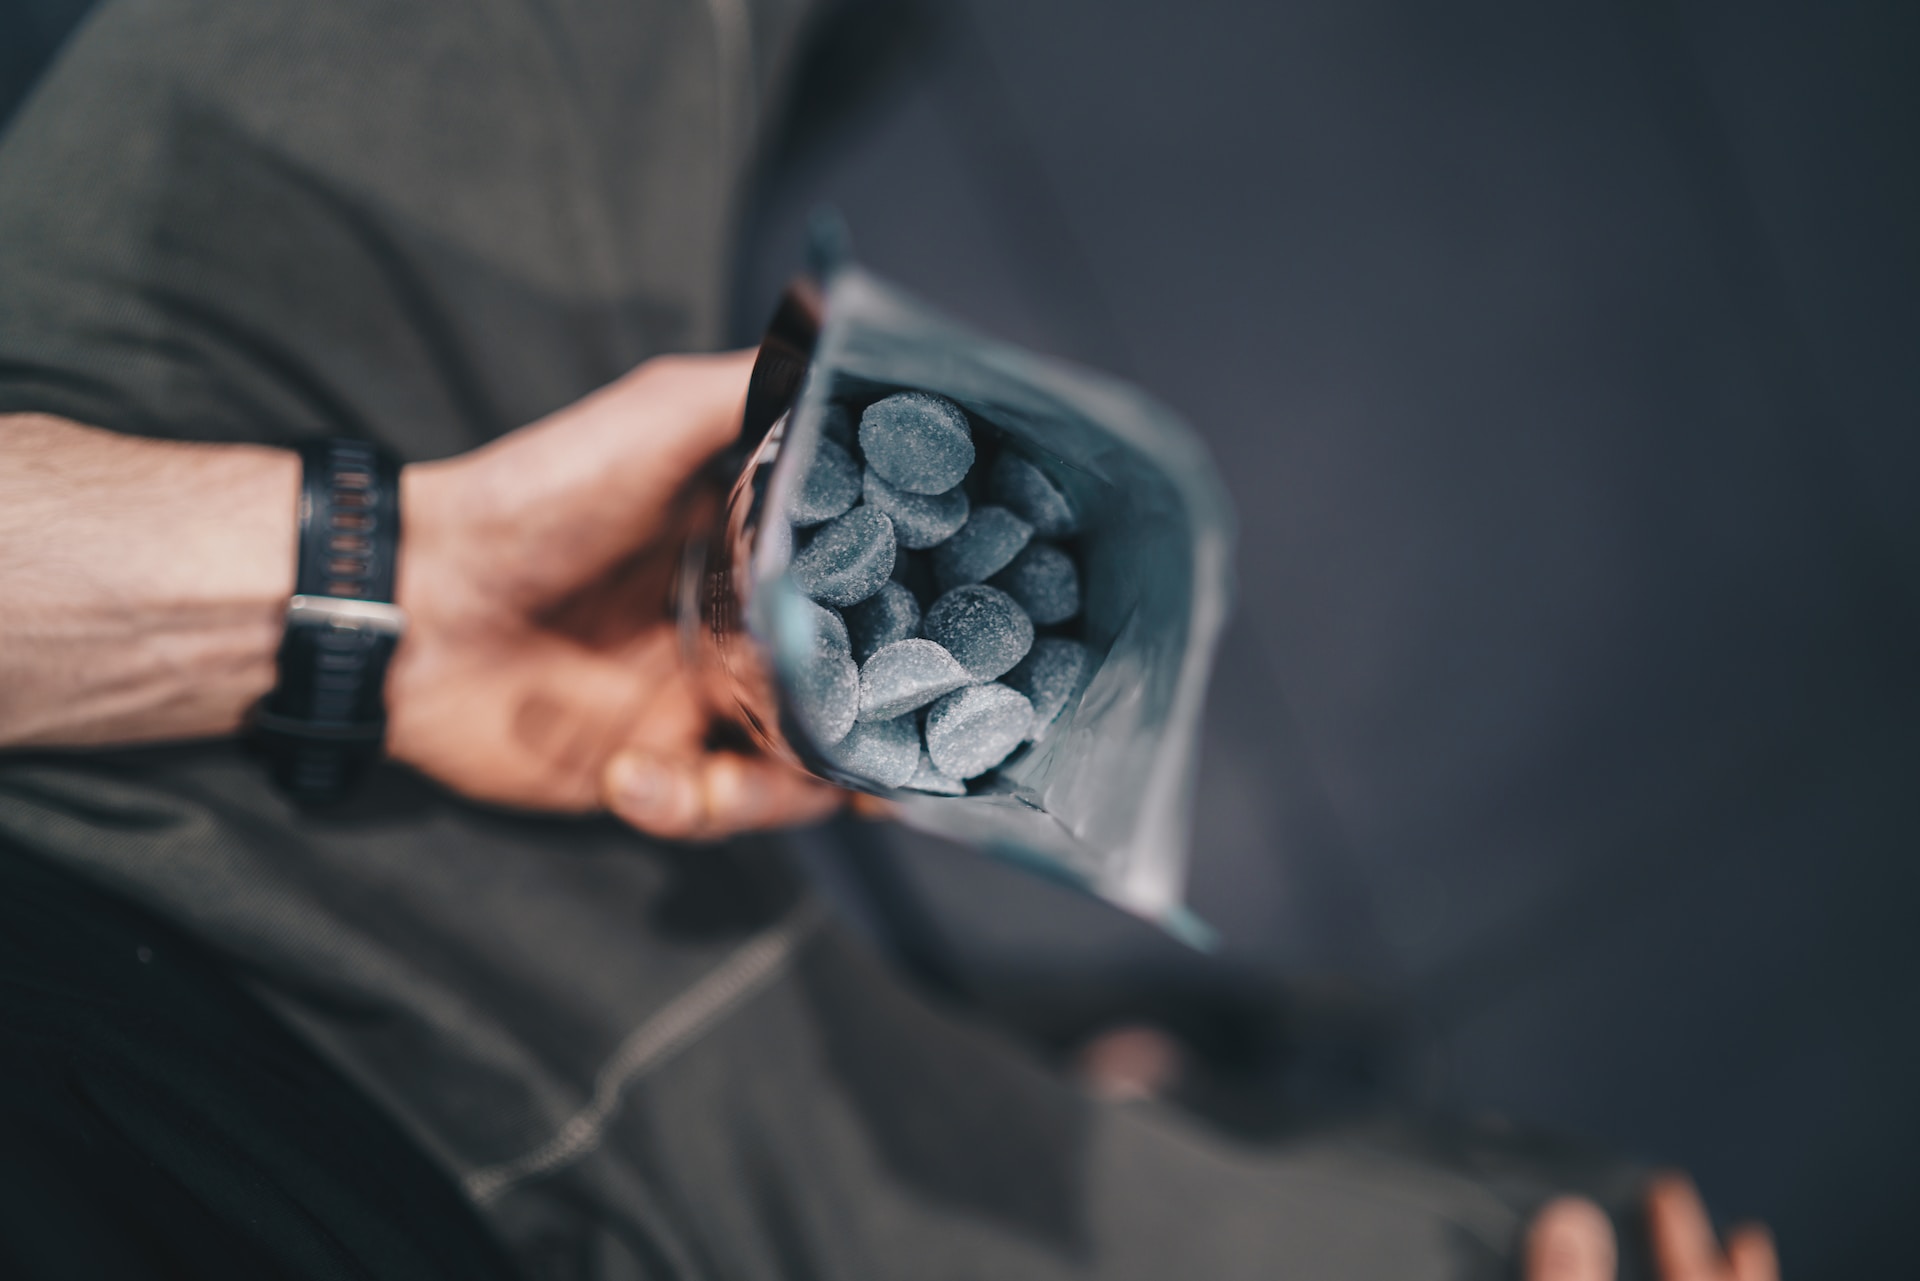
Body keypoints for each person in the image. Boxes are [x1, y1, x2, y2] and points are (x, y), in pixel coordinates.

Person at [0, 1, 1777, 1277]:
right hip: (593, 1158)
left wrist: (355, 584)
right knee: (1557, 1255)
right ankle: (1138, 1075)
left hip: (146, 684)